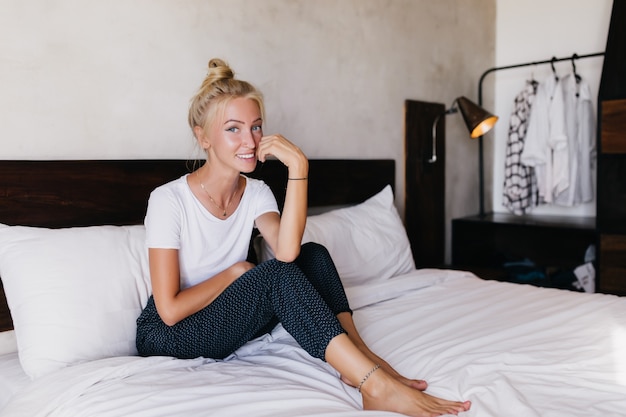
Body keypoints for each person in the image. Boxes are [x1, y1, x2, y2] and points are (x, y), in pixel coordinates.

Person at [135, 58, 471, 417]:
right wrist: (235, 273)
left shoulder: (257, 192)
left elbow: (288, 251)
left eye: (256, 127)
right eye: (233, 129)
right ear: (203, 136)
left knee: (312, 254)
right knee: (277, 275)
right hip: (170, 333)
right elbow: (169, 311)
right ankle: (373, 384)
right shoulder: (169, 200)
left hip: (226, 317)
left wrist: (299, 168)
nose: (250, 141)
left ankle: (360, 361)